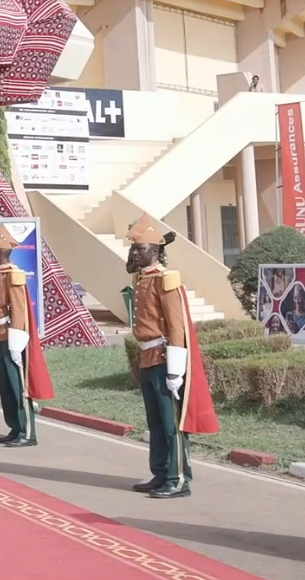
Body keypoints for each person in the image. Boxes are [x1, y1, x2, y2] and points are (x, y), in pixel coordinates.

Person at [127, 213, 218, 499]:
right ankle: (161, 471)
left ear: (155, 251)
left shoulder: (166, 280)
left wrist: (175, 371)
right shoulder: (143, 278)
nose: (134, 254)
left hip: (165, 359)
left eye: (139, 249)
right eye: (133, 249)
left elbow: (176, 326)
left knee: (171, 423)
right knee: (155, 422)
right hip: (147, 357)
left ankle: (178, 478)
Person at [0, 225, 54, 447]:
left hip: (11, 336)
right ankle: (15, 426)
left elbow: (20, 309)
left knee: (17, 385)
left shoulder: (13, 275)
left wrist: (16, 341)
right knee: (5, 384)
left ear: (0, 252)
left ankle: (27, 431)